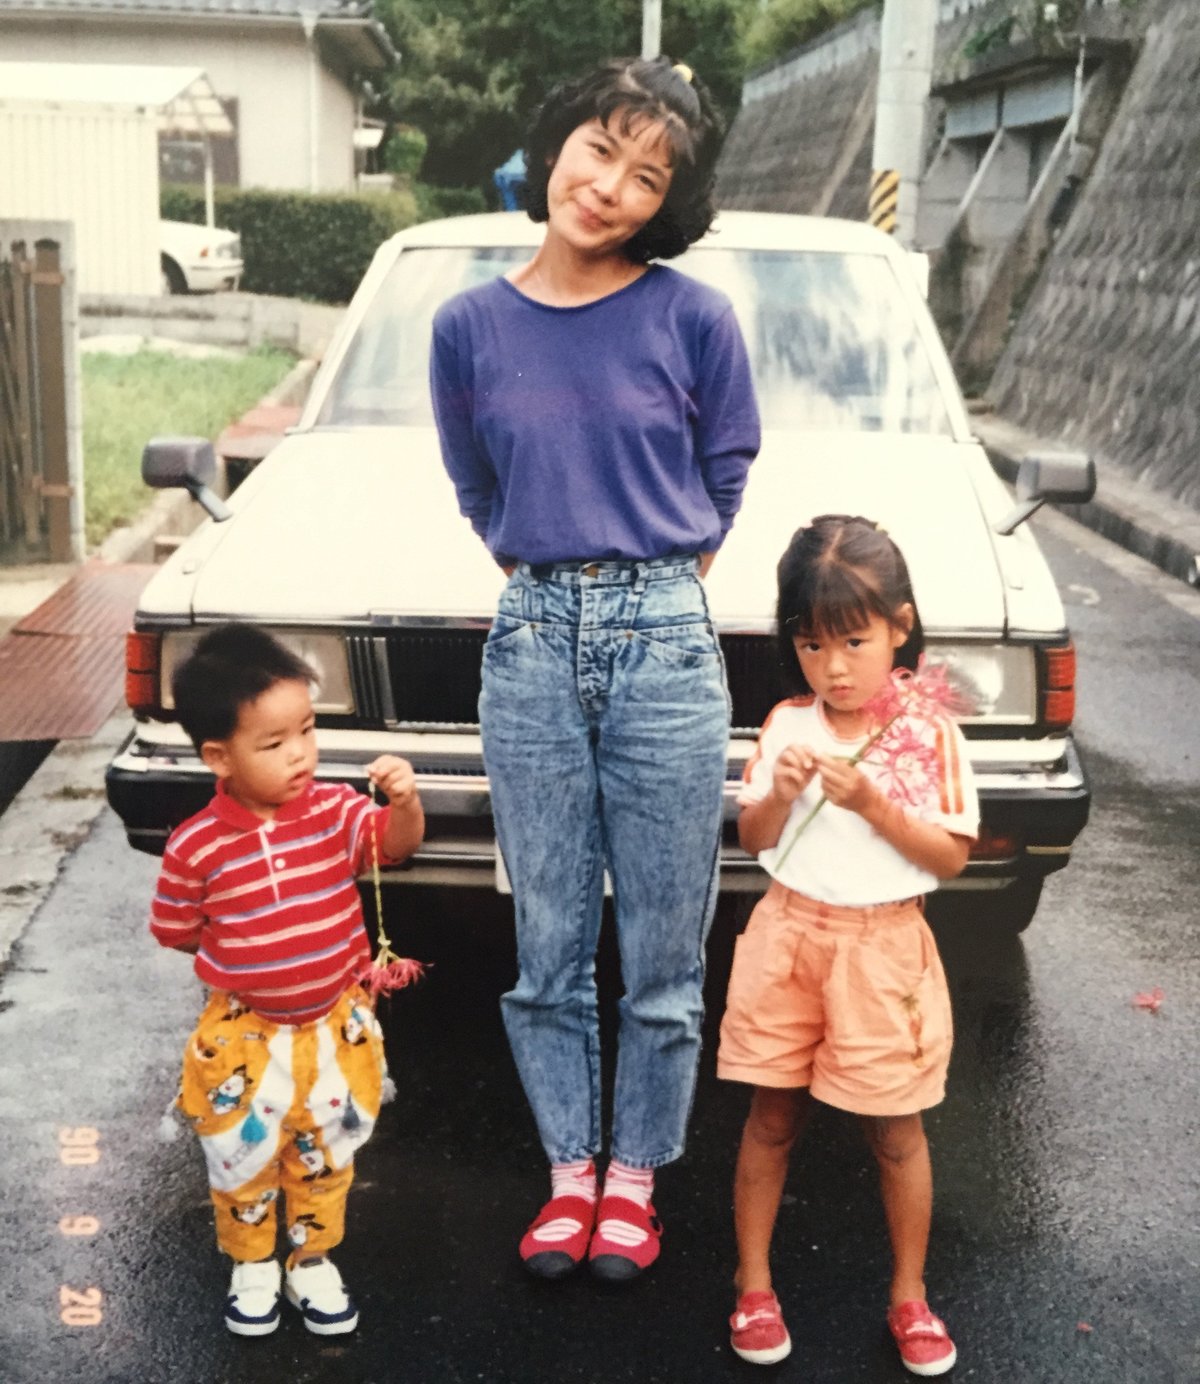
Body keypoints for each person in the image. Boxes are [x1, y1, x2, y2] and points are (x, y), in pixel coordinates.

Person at [430, 55, 760, 1282]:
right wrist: (555, 571)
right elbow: (476, 484)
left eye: (647, 176)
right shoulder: (467, 326)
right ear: (555, 145)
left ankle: (636, 1181)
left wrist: (653, 582)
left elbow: (728, 465)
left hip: (666, 635)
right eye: (599, 149)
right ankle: (570, 1170)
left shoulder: (692, 317)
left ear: (666, 203)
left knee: (666, 948)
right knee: (549, 941)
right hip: (528, 639)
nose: (611, 185)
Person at [719, 515, 977, 1375]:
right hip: (788, 934)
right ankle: (754, 1283)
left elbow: (949, 857)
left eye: (854, 642)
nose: (833, 667)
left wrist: (873, 805)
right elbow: (755, 838)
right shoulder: (786, 725)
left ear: (901, 627)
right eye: (812, 645)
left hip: (883, 946)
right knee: (771, 1116)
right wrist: (779, 796)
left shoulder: (928, 732)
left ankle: (911, 1295)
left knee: (896, 1128)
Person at [150, 624, 424, 1338]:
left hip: (333, 1026)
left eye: (306, 729)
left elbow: (392, 847)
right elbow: (175, 928)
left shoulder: (334, 812)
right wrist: (247, 958)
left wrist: (405, 803)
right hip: (245, 1035)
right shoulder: (196, 846)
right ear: (219, 756)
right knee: (240, 1151)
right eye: (274, 743)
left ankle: (311, 1259)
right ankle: (252, 1263)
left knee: (325, 1150)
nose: (300, 753)